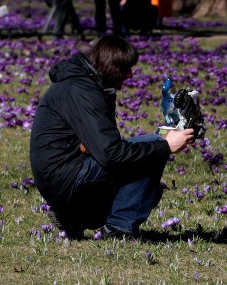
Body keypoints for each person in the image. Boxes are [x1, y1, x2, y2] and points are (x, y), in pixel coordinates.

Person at [30, 35, 195, 239]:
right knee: (152, 147)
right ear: (111, 67)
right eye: (126, 69)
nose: (130, 75)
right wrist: (165, 146)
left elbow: (103, 147)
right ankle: (118, 227)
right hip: (66, 178)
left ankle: (72, 216)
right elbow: (111, 154)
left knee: (145, 167)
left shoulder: (85, 84)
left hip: (61, 175)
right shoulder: (82, 91)